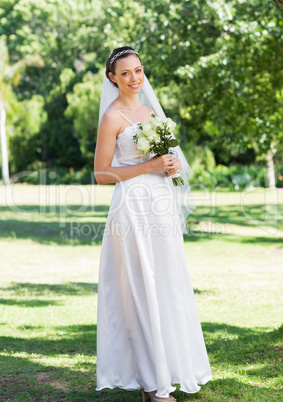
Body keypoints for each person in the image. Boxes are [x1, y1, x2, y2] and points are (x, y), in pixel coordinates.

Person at [94, 46, 212, 402]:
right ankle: (152, 383)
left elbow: (168, 157)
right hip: (132, 209)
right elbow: (101, 173)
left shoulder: (152, 111)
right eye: (126, 73)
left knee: (167, 287)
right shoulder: (112, 117)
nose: (134, 78)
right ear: (112, 78)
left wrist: (172, 166)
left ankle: (161, 376)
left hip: (161, 205)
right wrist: (148, 167)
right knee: (139, 291)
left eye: (139, 70)